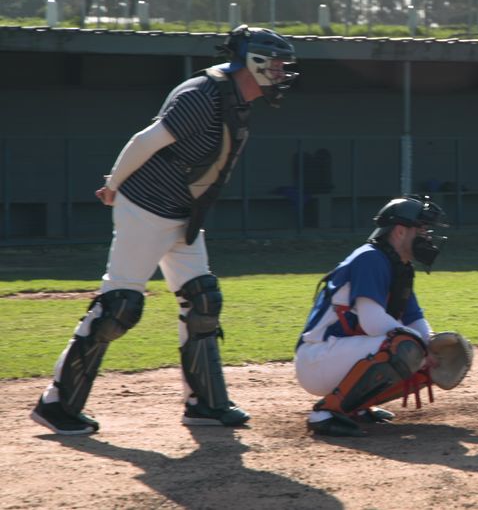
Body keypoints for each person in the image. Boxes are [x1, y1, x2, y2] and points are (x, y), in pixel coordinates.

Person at [30, 25, 299, 435]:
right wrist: (114, 184)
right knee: (118, 306)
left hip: (183, 214)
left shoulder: (237, 100)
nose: (282, 73)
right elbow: (148, 139)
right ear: (255, 62)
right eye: (276, 65)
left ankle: (204, 404)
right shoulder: (203, 95)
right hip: (145, 208)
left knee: (202, 301)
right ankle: (56, 403)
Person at [294, 195, 450, 437]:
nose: (426, 236)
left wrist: (431, 344)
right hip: (318, 358)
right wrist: (420, 349)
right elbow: (372, 321)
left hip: (342, 354)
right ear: (399, 231)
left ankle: (354, 406)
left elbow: (414, 320)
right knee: (404, 346)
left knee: (422, 349)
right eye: (421, 229)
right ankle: (324, 413)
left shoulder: (399, 266)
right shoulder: (370, 258)